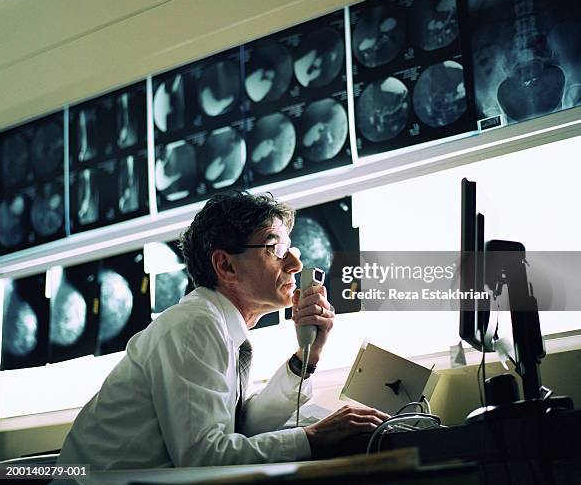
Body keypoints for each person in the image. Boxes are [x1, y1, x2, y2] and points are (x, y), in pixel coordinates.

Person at [58, 191, 386, 469]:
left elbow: (241, 426)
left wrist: (308, 356)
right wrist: (313, 438)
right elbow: (204, 456)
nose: (296, 265)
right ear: (226, 265)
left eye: (292, 250)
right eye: (277, 250)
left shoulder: (221, 325)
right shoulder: (195, 326)